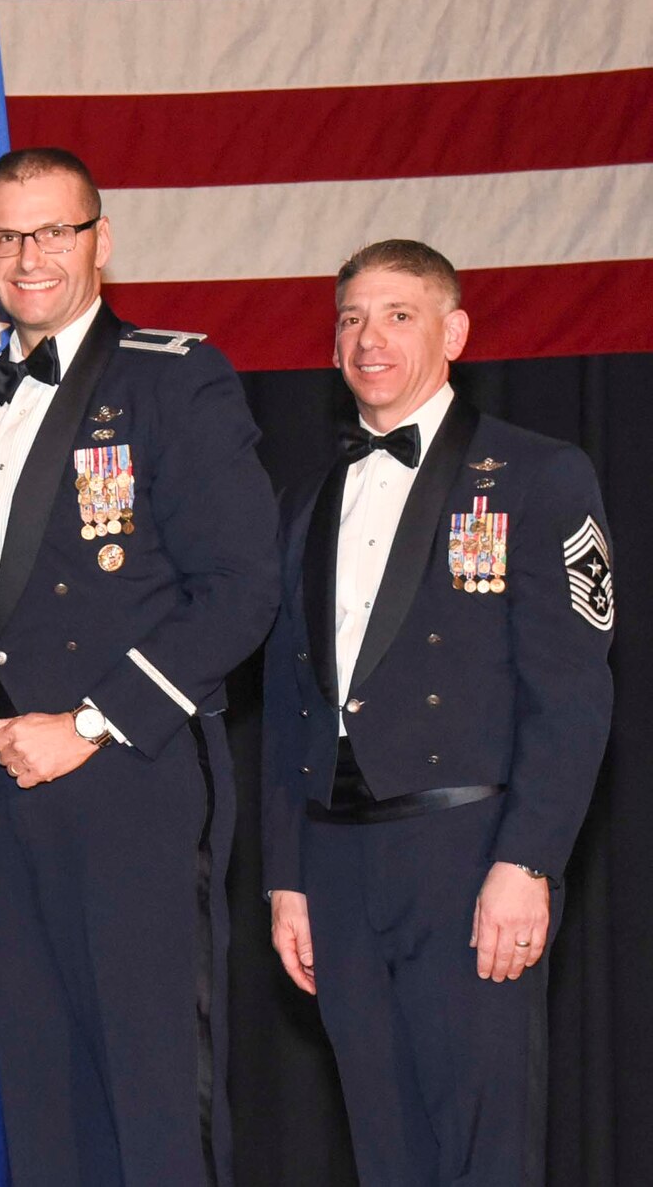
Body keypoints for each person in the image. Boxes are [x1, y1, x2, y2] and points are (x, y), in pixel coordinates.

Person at [0, 148, 278, 1185]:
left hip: (131, 770)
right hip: (5, 776)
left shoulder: (171, 376)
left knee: (151, 1081)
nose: (26, 257)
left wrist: (87, 722)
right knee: (42, 1081)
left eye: (50, 232)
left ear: (98, 241)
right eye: (3, 237)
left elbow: (243, 586)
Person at [261, 240, 613, 1184]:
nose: (368, 338)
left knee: (481, 1147)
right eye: (350, 318)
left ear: (454, 332)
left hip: (467, 852)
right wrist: (286, 877)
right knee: (383, 1145)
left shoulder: (538, 476)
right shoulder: (308, 501)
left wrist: (528, 860)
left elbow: (573, 693)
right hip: (335, 863)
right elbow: (292, 700)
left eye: (397, 315)